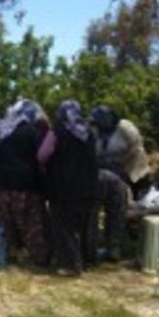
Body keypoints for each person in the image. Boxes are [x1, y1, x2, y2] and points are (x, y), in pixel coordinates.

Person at [38, 100, 99, 276]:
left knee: (63, 226)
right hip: (88, 186)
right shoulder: (89, 132)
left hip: (62, 187)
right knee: (85, 226)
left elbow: (42, 156)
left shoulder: (57, 132)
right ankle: (87, 260)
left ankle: (70, 265)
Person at [0, 99, 49, 266]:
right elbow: (41, 158)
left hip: (0, 184)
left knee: (6, 222)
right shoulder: (31, 132)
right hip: (26, 185)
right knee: (31, 223)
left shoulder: (1, 132)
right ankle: (39, 257)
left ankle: (9, 254)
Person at [90, 106, 151, 199]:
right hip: (106, 174)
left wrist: (123, 172)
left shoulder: (125, 128)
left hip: (132, 173)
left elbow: (136, 150)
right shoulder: (94, 131)